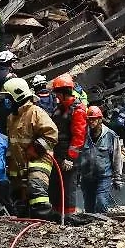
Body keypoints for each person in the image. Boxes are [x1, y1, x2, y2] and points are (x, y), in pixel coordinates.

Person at [3, 78, 59, 219]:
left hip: (38, 161)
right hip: (19, 165)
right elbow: (12, 144)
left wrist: (35, 149)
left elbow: (51, 134)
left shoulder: (36, 112)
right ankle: (25, 223)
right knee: (19, 198)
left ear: (17, 96)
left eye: (8, 98)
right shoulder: (11, 118)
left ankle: (43, 223)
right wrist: (10, 166)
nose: (6, 101)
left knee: (36, 193)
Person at [49, 74, 88, 217]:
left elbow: (79, 137)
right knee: (55, 187)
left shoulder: (77, 110)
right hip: (58, 155)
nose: (56, 96)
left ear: (64, 92)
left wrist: (70, 158)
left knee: (68, 187)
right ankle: (56, 215)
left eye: (57, 93)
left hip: (68, 158)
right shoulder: (59, 109)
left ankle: (69, 216)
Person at [81, 105, 124, 213]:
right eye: (89, 119)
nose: (91, 122)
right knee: (89, 207)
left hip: (104, 177)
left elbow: (117, 157)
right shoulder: (82, 134)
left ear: (100, 119)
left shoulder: (110, 135)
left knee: (101, 202)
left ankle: (103, 221)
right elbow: (78, 155)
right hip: (87, 177)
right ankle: (91, 223)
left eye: (93, 119)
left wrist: (117, 178)